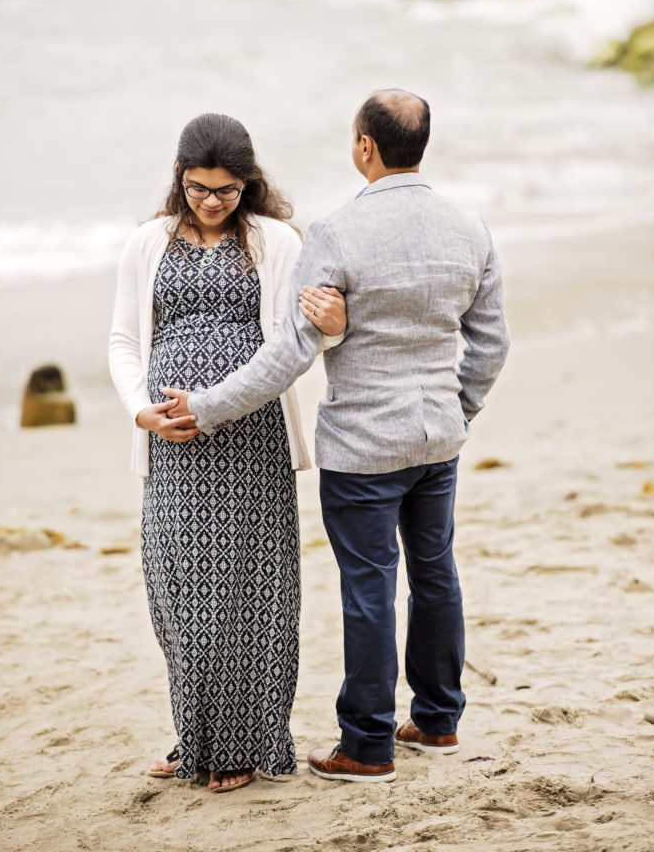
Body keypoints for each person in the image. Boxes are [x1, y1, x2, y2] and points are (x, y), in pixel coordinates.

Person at [164, 89, 510, 783]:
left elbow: (290, 354)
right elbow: (491, 342)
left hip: (362, 448)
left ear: (364, 147)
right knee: (436, 572)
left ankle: (368, 745)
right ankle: (438, 721)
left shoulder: (337, 234)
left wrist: (205, 408)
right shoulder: (469, 228)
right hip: (436, 440)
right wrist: (457, 408)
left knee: (370, 588)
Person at [108, 112, 346, 793]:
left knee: (249, 593)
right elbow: (125, 340)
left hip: (250, 436)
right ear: (179, 179)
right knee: (179, 593)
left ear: (250, 183)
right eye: (198, 188)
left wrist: (334, 325)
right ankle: (197, 737)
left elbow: (303, 336)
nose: (212, 202)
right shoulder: (145, 243)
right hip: (171, 444)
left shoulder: (275, 240)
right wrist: (140, 409)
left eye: (227, 190)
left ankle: (243, 747)